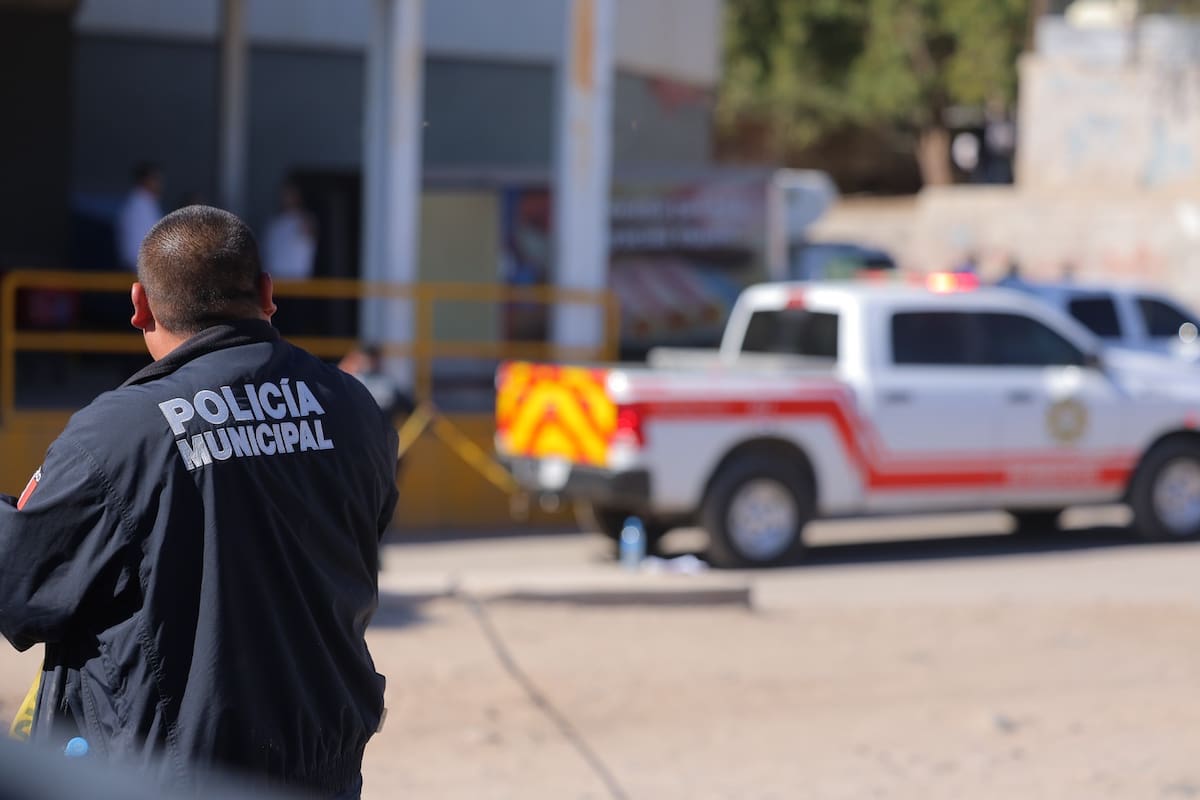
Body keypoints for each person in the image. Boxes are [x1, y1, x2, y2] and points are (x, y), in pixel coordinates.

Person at [0, 206, 399, 799]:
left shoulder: (117, 434)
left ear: (139, 305)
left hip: (171, 775)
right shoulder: (354, 409)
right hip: (323, 768)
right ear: (267, 292)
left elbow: (22, 586)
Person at [263, 178, 317, 280]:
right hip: (274, 282)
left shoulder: (306, 220)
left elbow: (310, 233)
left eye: (291, 194)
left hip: (296, 284)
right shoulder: (274, 223)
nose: (287, 198)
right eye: (284, 194)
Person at [116, 162, 164, 270]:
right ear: (145, 180)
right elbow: (133, 250)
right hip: (137, 272)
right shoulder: (136, 206)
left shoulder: (148, 203)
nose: (159, 183)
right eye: (155, 179)